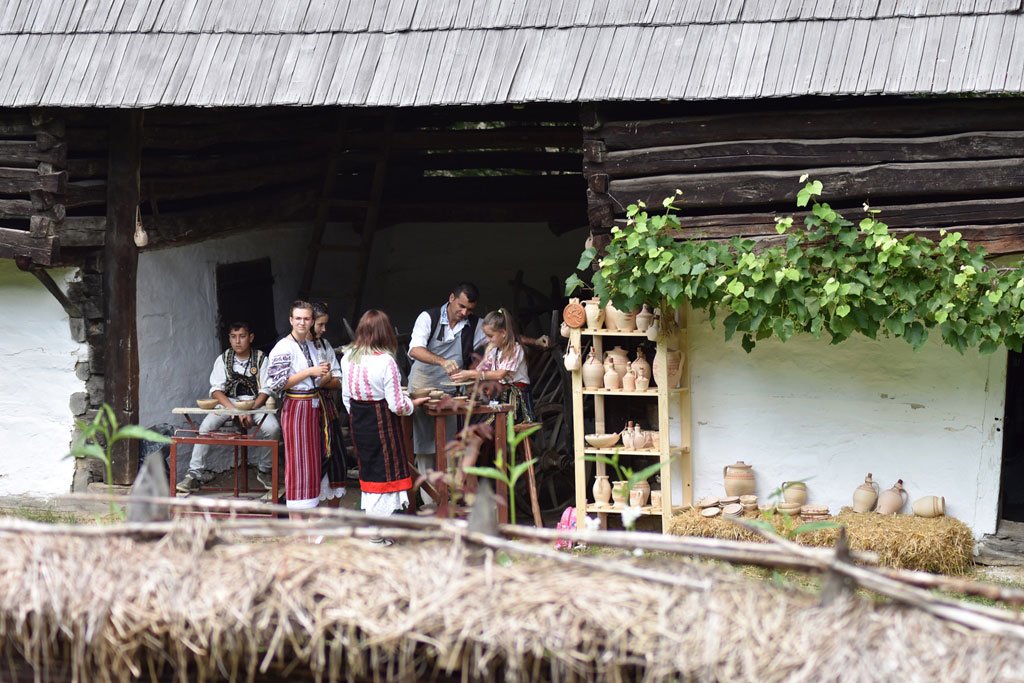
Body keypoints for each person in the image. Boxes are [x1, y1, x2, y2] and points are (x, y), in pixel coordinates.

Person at [341, 310, 430, 540]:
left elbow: (346, 397)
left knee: (370, 474)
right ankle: (376, 533)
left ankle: (376, 530)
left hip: (359, 422)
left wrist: (359, 417)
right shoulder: (386, 361)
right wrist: (414, 404)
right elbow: (396, 405)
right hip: (381, 423)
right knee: (385, 475)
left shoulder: (347, 357)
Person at [176, 322, 280, 494]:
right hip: (228, 403)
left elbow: (267, 390)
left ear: (251, 337)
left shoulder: (262, 358)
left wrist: (249, 410)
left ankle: (265, 470)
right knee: (205, 427)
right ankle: (194, 474)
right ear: (229, 339)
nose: (237, 341)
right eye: (233, 337)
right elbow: (216, 390)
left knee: (273, 428)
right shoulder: (224, 359)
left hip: (255, 404)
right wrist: (234, 411)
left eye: (242, 336)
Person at [407, 283, 487, 491]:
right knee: (425, 444)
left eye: (469, 309)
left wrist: (472, 371)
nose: (464, 313)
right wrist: (442, 361)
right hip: (423, 385)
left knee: (448, 442)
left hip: (451, 391)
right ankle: (429, 499)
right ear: (451, 298)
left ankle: (448, 495)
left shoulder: (476, 324)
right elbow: (415, 350)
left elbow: (493, 344)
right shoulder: (428, 317)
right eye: (461, 306)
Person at [267, 301, 334, 515]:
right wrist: (309, 372)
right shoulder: (284, 347)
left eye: (306, 319)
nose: (302, 322)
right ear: (291, 320)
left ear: (312, 321)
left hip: (312, 405)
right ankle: (297, 522)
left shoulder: (310, 345)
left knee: (312, 464)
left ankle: (309, 519)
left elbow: (316, 376)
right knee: (298, 464)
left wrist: (322, 373)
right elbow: (277, 384)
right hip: (296, 406)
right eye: (298, 318)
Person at [451, 308, 536, 425]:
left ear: (503, 333)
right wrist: (463, 376)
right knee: (479, 426)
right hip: (501, 397)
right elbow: (481, 369)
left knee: (491, 427)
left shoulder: (515, 349)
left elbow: (500, 374)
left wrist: (470, 374)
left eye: (490, 336)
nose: (488, 339)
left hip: (517, 399)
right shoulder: (494, 350)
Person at [310, 302, 348, 505]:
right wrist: (321, 381)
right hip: (307, 412)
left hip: (327, 410)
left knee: (335, 458)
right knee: (313, 460)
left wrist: (324, 381)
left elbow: (337, 379)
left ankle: (333, 515)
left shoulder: (324, 346)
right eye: (320, 324)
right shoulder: (293, 347)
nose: (323, 329)